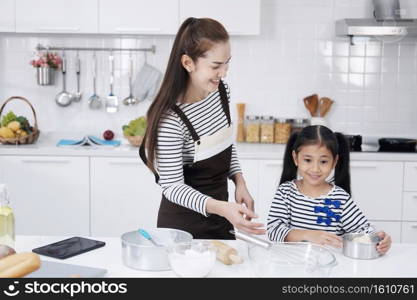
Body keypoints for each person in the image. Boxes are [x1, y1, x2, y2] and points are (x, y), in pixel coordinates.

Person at [139, 17, 265, 239]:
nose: (224, 72)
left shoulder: (221, 92)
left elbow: (225, 142)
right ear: (188, 63)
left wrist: (240, 181)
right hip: (182, 228)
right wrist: (223, 208)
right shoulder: (171, 120)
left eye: (227, 63)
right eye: (216, 66)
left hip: (220, 220)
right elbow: (173, 188)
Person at [267, 125, 391, 254]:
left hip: (331, 267)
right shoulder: (285, 192)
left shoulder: (340, 198)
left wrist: (380, 240)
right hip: (291, 264)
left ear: (334, 161)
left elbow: (363, 231)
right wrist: (307, 235)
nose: (315, 169)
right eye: (308, 160)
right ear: (295, 158)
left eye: (323, 162)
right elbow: (273, 231)